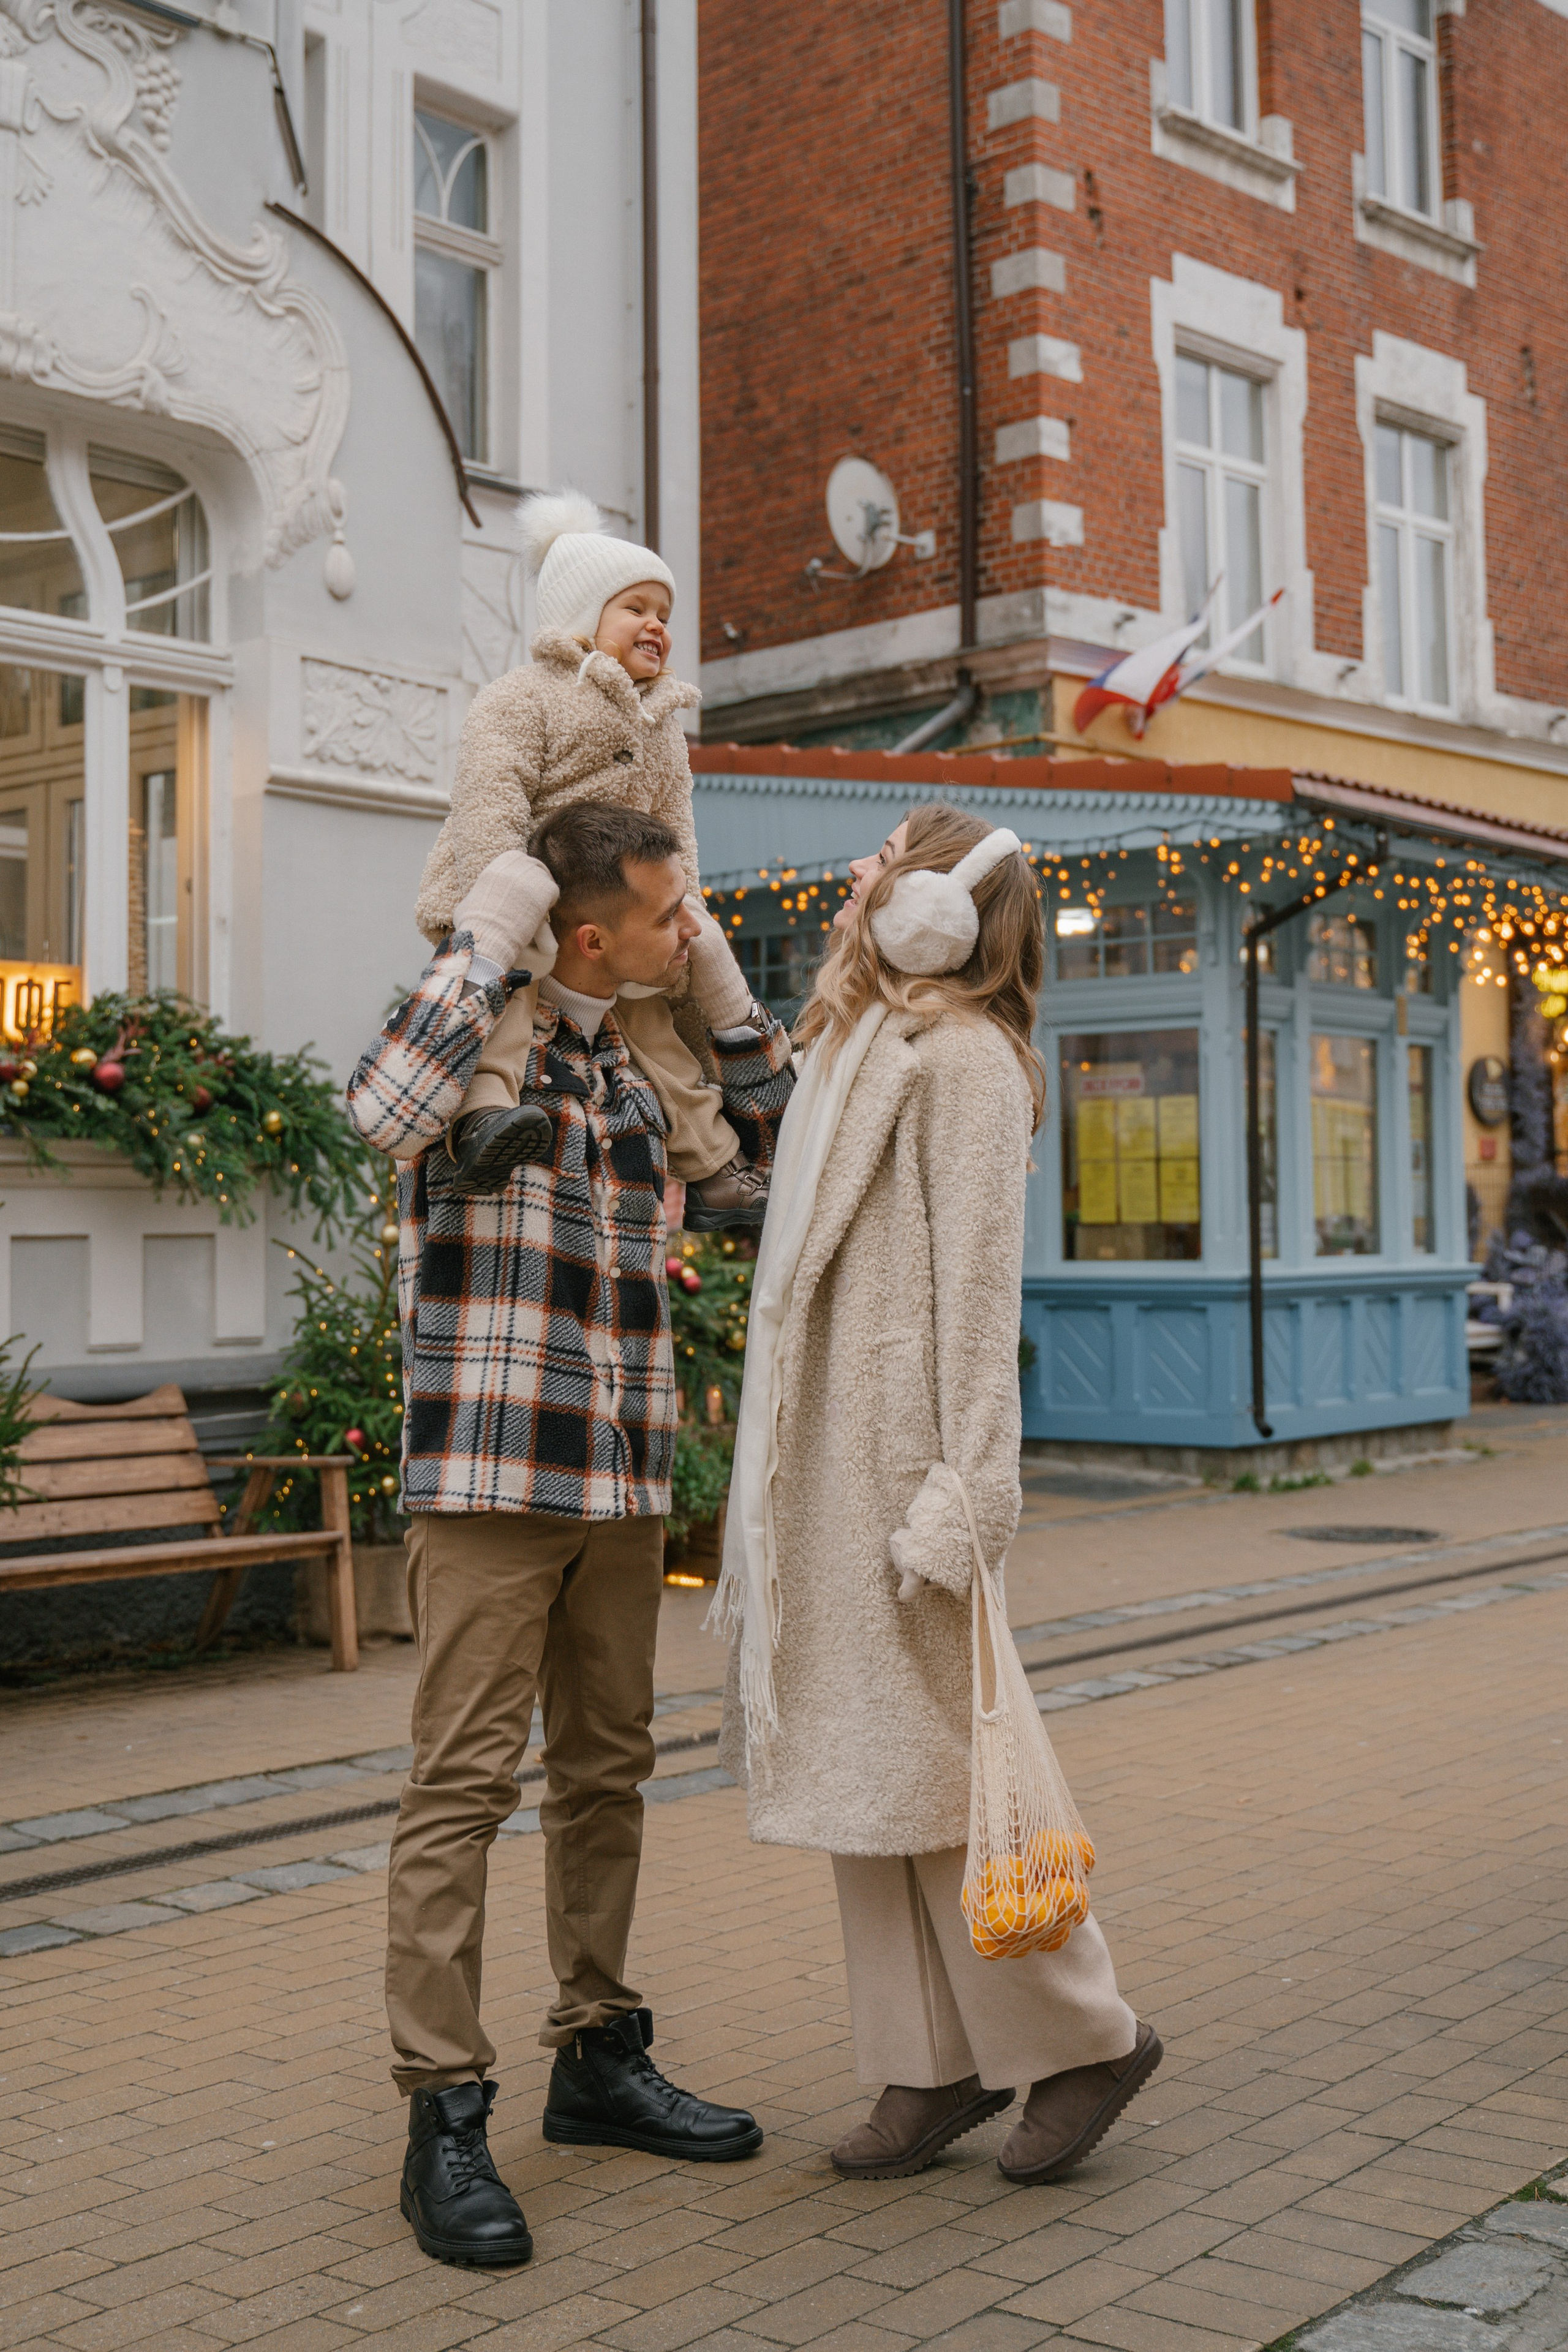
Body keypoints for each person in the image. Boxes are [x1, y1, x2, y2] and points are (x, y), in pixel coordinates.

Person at [347, 804, 794, 2268]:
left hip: (615, 1474)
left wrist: (719, 977)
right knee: (461, 1784)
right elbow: (376, 1109)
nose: (693, 929)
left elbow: (775, 1121)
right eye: (674, 910)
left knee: (607, 1767)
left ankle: (595, 2052)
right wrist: (492, 926)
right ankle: (444, 2109)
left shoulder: (633, 1059)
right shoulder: (480, 1038)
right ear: (585, 924)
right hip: (487, 1474)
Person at [712, 802, 1161, 2185]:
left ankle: (1085, 2036)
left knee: (947, 1777)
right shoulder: (860, 1047)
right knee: (868, 1783)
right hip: (827, 1463)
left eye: (888, 866)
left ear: (939, 912)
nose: (863, 882)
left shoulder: (963, 1062)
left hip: (907, 1469)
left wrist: (967, 1492)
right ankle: (928, 2065)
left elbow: (977, 1295)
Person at [413, 488, 767, 1233]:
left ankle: (710, 1169)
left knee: (657, 1030)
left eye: (664, 615)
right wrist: (504, 904)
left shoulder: (662, 724)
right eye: (635, 608)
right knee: (509, 1001)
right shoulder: (524, 697)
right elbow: (489, 800)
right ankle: (483, 1116)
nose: (655, 626)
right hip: (523, 896)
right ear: (581, 618)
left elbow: (674, 828)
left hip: (621, 913)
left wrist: (679, 912)